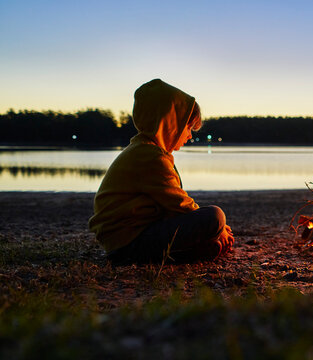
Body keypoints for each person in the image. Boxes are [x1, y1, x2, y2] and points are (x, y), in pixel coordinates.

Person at [89, 79, 234, 265]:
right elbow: (179, 204)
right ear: (169, 124)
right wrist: (219, 228)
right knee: (214, 215)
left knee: (209, 222)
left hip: (128, 239)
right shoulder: (150, 156)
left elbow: (168, 205)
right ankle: (194, 249)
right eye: (188, 128)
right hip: (129, 242)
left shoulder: (144, 149)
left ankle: (195, 251)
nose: (190, 136)